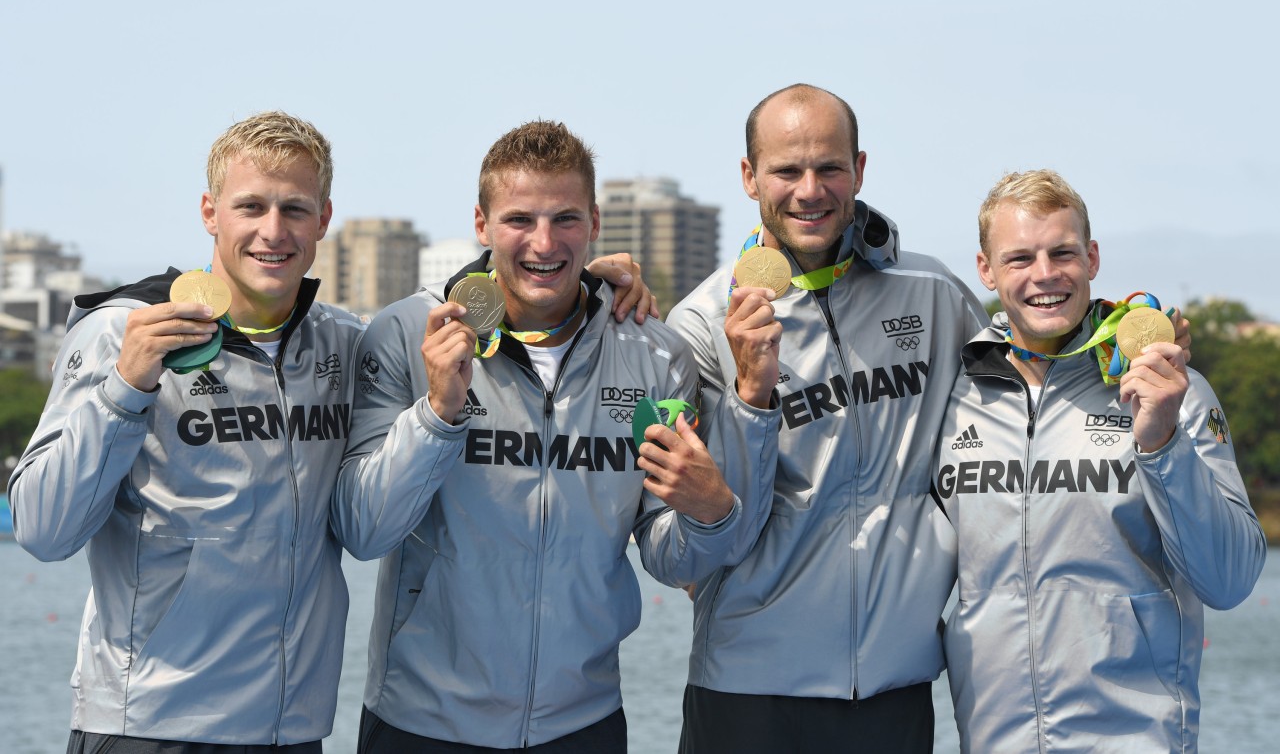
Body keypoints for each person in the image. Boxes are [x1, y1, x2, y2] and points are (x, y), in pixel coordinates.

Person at [330, 119, 777, 753]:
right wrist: (436, 415)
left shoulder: (655, 353)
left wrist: (710, 513)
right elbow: (362, 530)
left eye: (565, 218)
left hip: (582, 722)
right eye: (519, 219)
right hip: (422, 720)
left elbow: (668, 557)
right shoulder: (407, 333)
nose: (544, 242)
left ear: (594, 221)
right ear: (482, 225)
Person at [7, 111, 362, 753]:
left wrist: (593, 288)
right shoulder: (123, 330)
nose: (272, 231)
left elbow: (473, 321)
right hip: (148, 724)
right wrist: (124, 389)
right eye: (250, 206)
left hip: (292, 729)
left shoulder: (343, 342)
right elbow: (40, 529)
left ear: (324, 218)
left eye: (295, 209)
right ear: (209, 211)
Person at [666, 83, 987, 753]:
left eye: (829, 168)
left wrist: (1128, 344)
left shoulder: (934, 295)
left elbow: (1026, 395)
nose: (810, 190)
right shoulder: (698, 323)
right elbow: (687, 546)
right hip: (748, 695)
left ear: (859, 169)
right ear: (750, 176)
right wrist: (752, 398)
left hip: (895, 691)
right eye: (787, 170)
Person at [934, 169, 1266, 752]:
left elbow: (1232, 579)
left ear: (1091, 257)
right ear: (986, 269)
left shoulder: (1170, 390)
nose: (1044, 275)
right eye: (1019, 258)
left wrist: (1161, 442)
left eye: (1062, 252)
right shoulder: (952, 398)